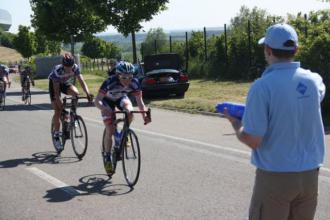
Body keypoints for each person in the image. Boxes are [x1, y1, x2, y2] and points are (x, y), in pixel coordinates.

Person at [223, 23, 326, 220]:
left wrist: (236, 124)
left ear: (268, 50)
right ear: (295, 49)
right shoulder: (314, 81)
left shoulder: (262, 87)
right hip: (310, 177)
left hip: (276, 177)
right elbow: (313, 91)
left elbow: (253, 139)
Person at [94, 61, 151, 175]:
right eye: (124, 77)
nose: (127, 80)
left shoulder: (134, 82)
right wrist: (103, 108)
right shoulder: (110, 81)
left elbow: (139, 101)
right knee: (110, 129)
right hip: (107, 101)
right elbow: (97, 100)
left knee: (129, 111)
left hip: (121, 98)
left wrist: (144, 115)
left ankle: (124, 134)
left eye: (130, 77)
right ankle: (107, 156)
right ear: (118, 75)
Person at [49, 53, 93, 151]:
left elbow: (82, 81)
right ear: (63, 65)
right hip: (54, 85)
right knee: (58, 110)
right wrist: (62, 107)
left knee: (76, 93)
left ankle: (73, 115)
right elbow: (56, 93)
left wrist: (88, 93)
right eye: (67, 67)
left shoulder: (75, 68)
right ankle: (56, 135)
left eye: (70, 66)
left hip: (64, 83)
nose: (69, 69)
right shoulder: (57, 71)